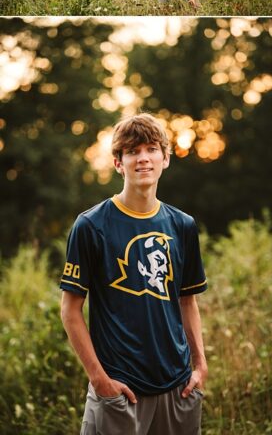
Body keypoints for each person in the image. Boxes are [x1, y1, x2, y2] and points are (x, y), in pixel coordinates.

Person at [60, 113, 208, 434]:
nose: (143, 158)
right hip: (120, 392)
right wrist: (100, 380)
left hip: (179, 388)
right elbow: (70, 310)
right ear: (118, 163)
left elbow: (187, 302)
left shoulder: (183, 226)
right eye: (132, 151)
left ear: (165, 158)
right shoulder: (91, 225)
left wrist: (200, 366)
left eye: (152, 149)